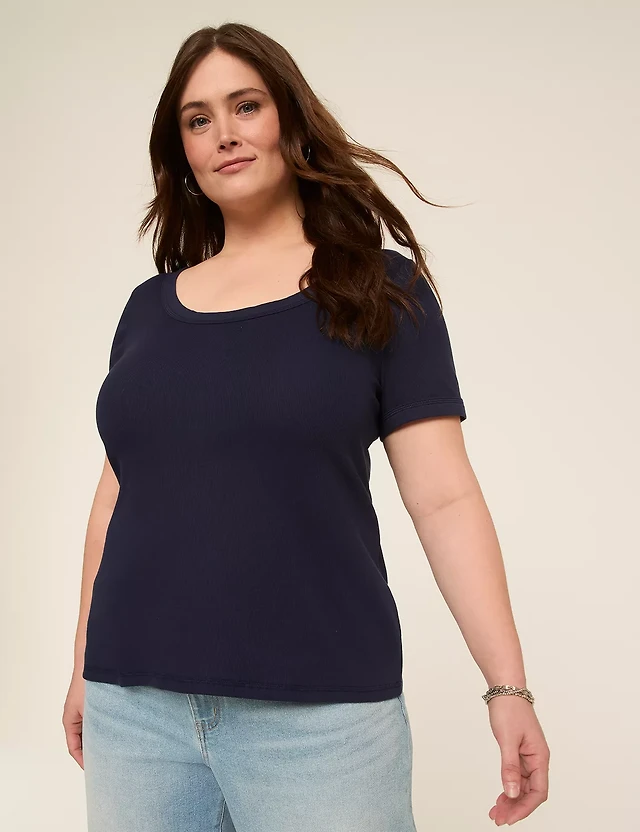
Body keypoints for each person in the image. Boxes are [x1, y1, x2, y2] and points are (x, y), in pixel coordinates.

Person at [62, 22, 550, 832]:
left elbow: (445, 500)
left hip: (321, 726)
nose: (224, 133)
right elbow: (114, 501)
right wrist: (85, 666)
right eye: (197, 119)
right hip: (134, 717)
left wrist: (507, 687)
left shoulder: (378, 289)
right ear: (182, 151)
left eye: (246, 105)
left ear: (290, 118)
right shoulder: (147, 311)